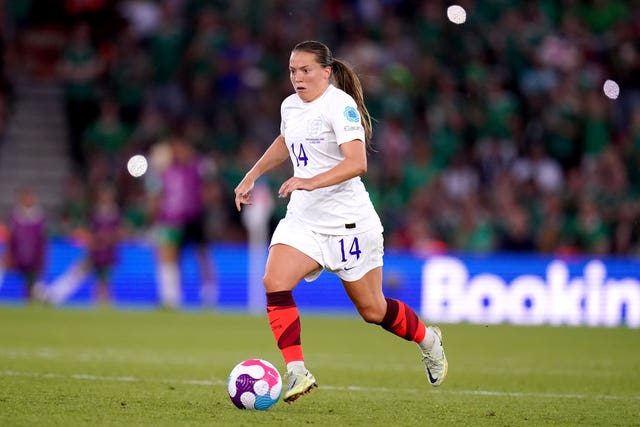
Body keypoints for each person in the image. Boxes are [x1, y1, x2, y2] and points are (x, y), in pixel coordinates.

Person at [234, 40, 448, 404]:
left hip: (349, 223)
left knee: (373, 310)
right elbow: (286, 141)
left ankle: (428, 339)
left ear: (326, 72)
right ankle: (297, 371)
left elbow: (357, 163)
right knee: (274, 280)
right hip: (304, 218)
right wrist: (252, 175)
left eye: (305, 70)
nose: (297, 78)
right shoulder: (290, 105)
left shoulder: (340, 105)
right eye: (292, 71)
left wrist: (309, 180)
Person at [149, 136, 217, 309]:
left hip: (194, 217)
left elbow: (210, 189)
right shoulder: (167, 170)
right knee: (170, 255)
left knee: (201, 254)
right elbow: (157, 195)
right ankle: (172, 296)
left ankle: (209, 292)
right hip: (173, 219)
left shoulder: (198, 167)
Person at [46, 183, 123, 306]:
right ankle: (55, 295)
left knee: (104, 280)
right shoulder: (95, 212)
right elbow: (89, 231)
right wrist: (93, 241)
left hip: (108, 252)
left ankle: (104, 303)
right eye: (104, 195)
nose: (105, 197)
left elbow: (118, 233)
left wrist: (108, 239)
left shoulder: (115, 213)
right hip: (95, 251)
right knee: (80, 273)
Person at [0, 187, 47, 302]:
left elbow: (42, 240)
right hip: (17, 256)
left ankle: (36, 301)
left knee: (32, 284)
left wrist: (42, 259)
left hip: (33, 257)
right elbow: (11, 237)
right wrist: (8, 254)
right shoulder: (14, 216)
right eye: (26, 197)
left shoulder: (39, 217)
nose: (28, 200)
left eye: (30, 198)